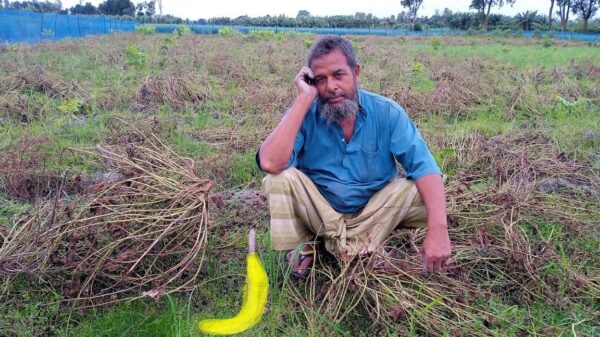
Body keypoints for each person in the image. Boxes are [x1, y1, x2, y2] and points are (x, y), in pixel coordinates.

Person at [256, 36, 451, 278]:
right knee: (279, 179)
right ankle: (310, 245)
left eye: (339, 75)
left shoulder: (387, 112)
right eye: (320, 80)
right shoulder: (305, 111)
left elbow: (424, 167)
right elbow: (270, 163)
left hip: (372, 213)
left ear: (356, 72)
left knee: (423, 189)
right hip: (318, 214)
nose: (331, 86)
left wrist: (439, 230)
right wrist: (303, 98)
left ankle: (347, 246)